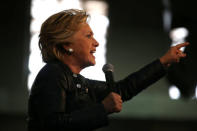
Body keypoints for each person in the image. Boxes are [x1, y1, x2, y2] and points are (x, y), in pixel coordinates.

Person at [27, 9, 189, 131]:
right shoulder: (53, 74)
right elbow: (52, 125)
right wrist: (102, 109)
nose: (96, 42)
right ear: (67, 44)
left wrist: (163, 62)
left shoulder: (76, 80)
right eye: (88, 36)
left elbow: (122, 90)